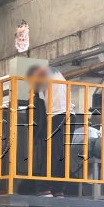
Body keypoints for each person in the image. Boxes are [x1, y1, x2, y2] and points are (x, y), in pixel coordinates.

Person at [26, 64, 75, 197]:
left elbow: (36, 83)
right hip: (69, 115)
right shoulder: (55, 76)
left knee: (52, 152)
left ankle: (45, 187)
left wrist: (33, 89)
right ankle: (58, 189)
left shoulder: (46, 71)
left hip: (58, 115)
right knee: (62, 154)